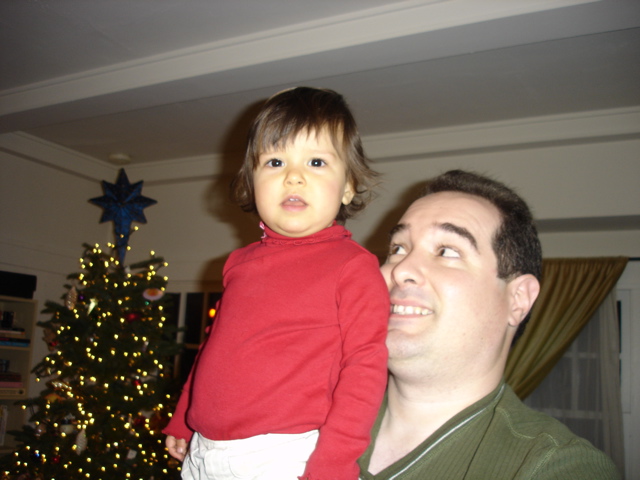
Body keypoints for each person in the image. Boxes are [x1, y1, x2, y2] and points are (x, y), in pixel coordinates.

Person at [163, 87, 389, 480]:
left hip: (281, 455)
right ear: (252, 182)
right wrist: (184, 417)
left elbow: (364, 370)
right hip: (203, 450)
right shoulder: (238, 264)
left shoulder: (353, 267)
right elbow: (215, 350)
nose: (293, 176)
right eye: (275, 161)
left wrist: (334, 463)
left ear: (348, 186)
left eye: (316, 162)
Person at [358, 170, 620, 479]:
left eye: (447, 251)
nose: (401, 269)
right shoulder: (314, 413)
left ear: (518, 299)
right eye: (398, 249)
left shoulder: (555, 466)